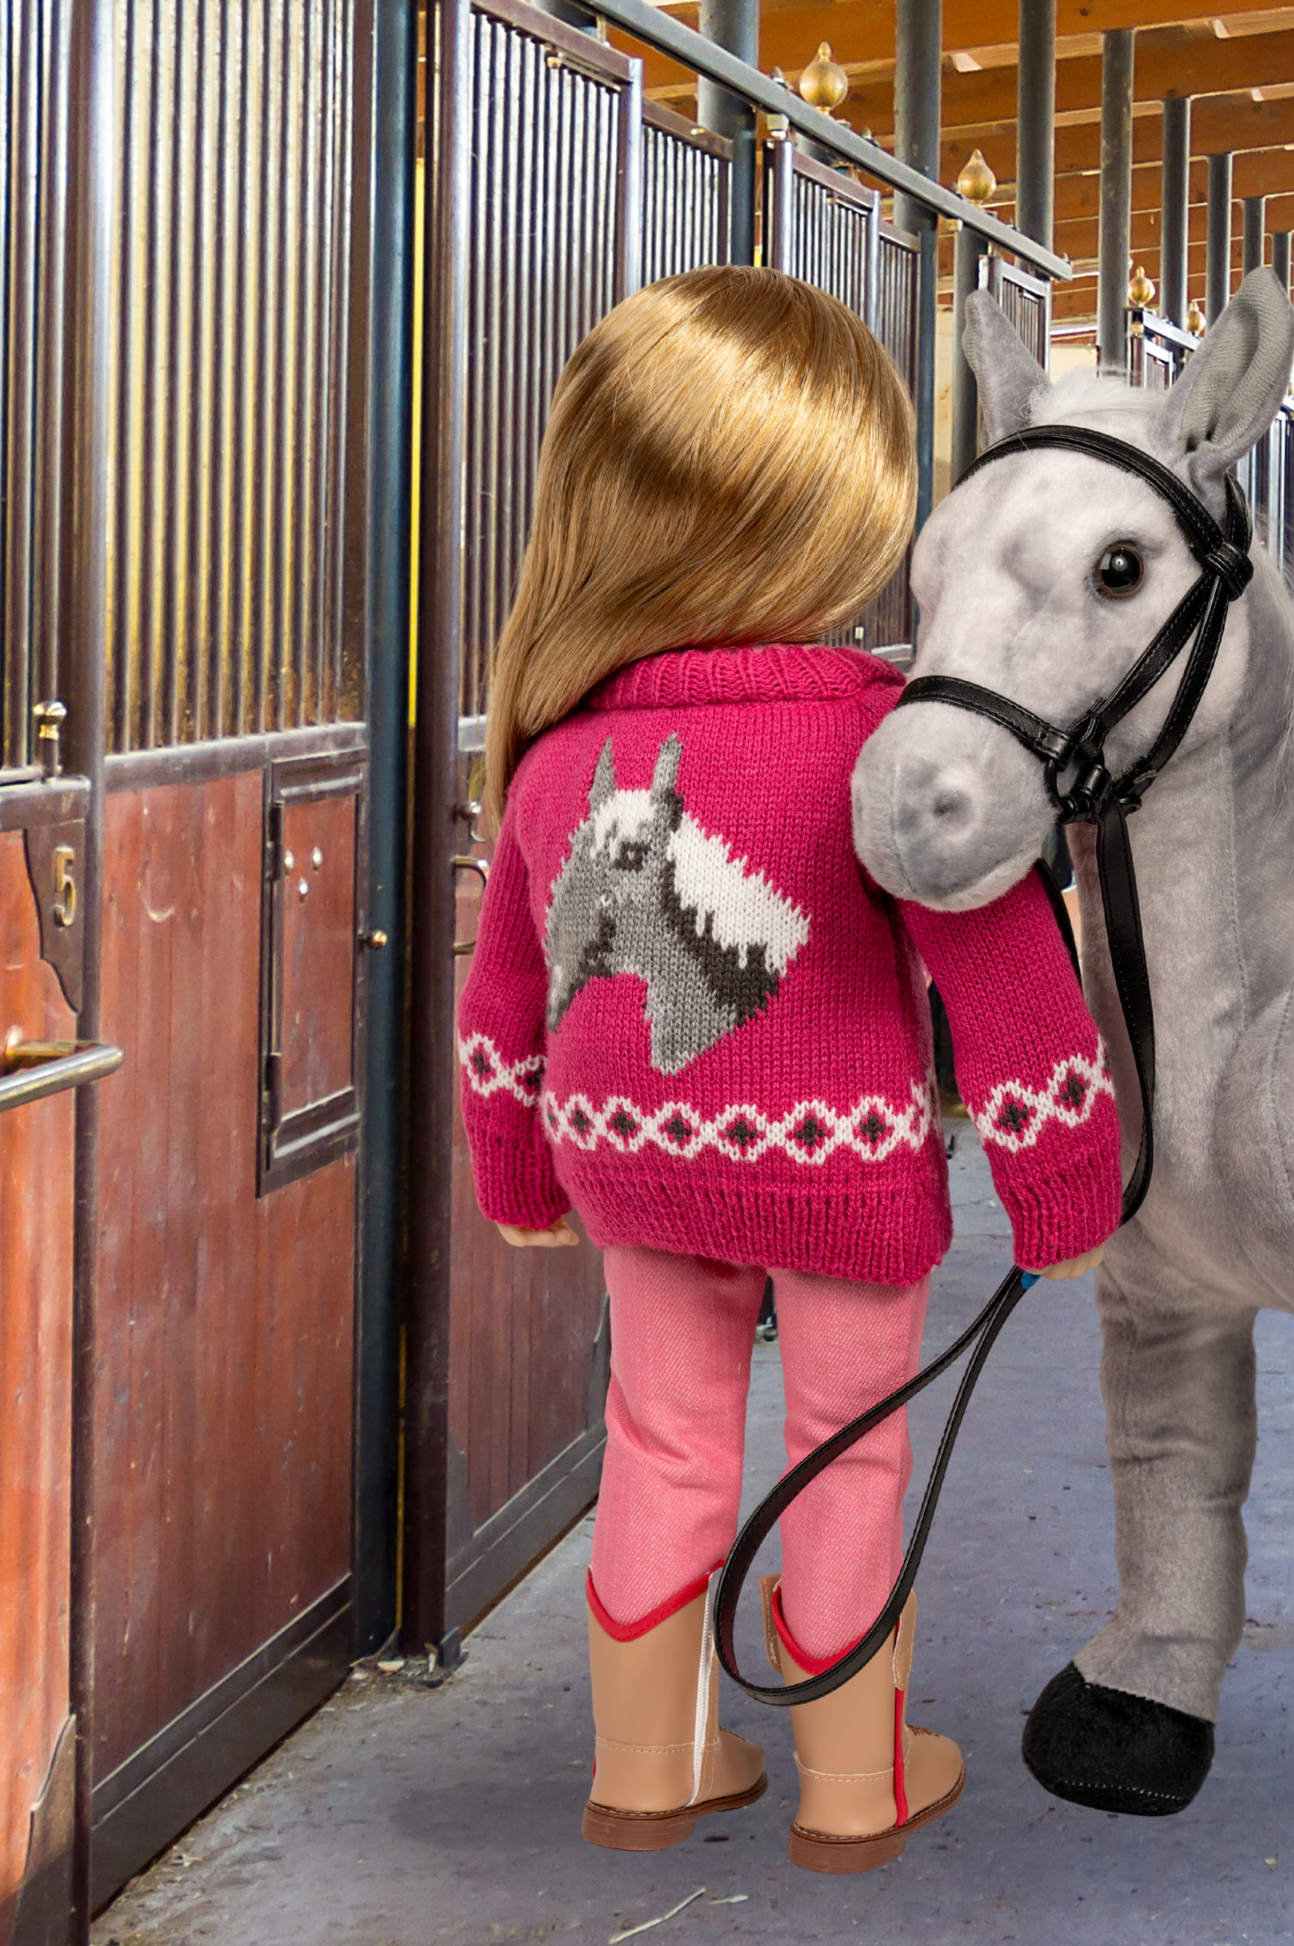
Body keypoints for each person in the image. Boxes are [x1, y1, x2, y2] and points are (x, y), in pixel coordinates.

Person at [456, 266, 1121, 1876]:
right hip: (840, 1170)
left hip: (630, 1158)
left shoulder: (558, 749)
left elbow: (506, 992)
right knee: (845, 1444)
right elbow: (1003, 965)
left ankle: (651, 1762)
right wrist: (1060, 1173)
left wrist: (517, 1164)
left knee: (661, 1436)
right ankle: (853, 1775)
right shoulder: (884, 735)